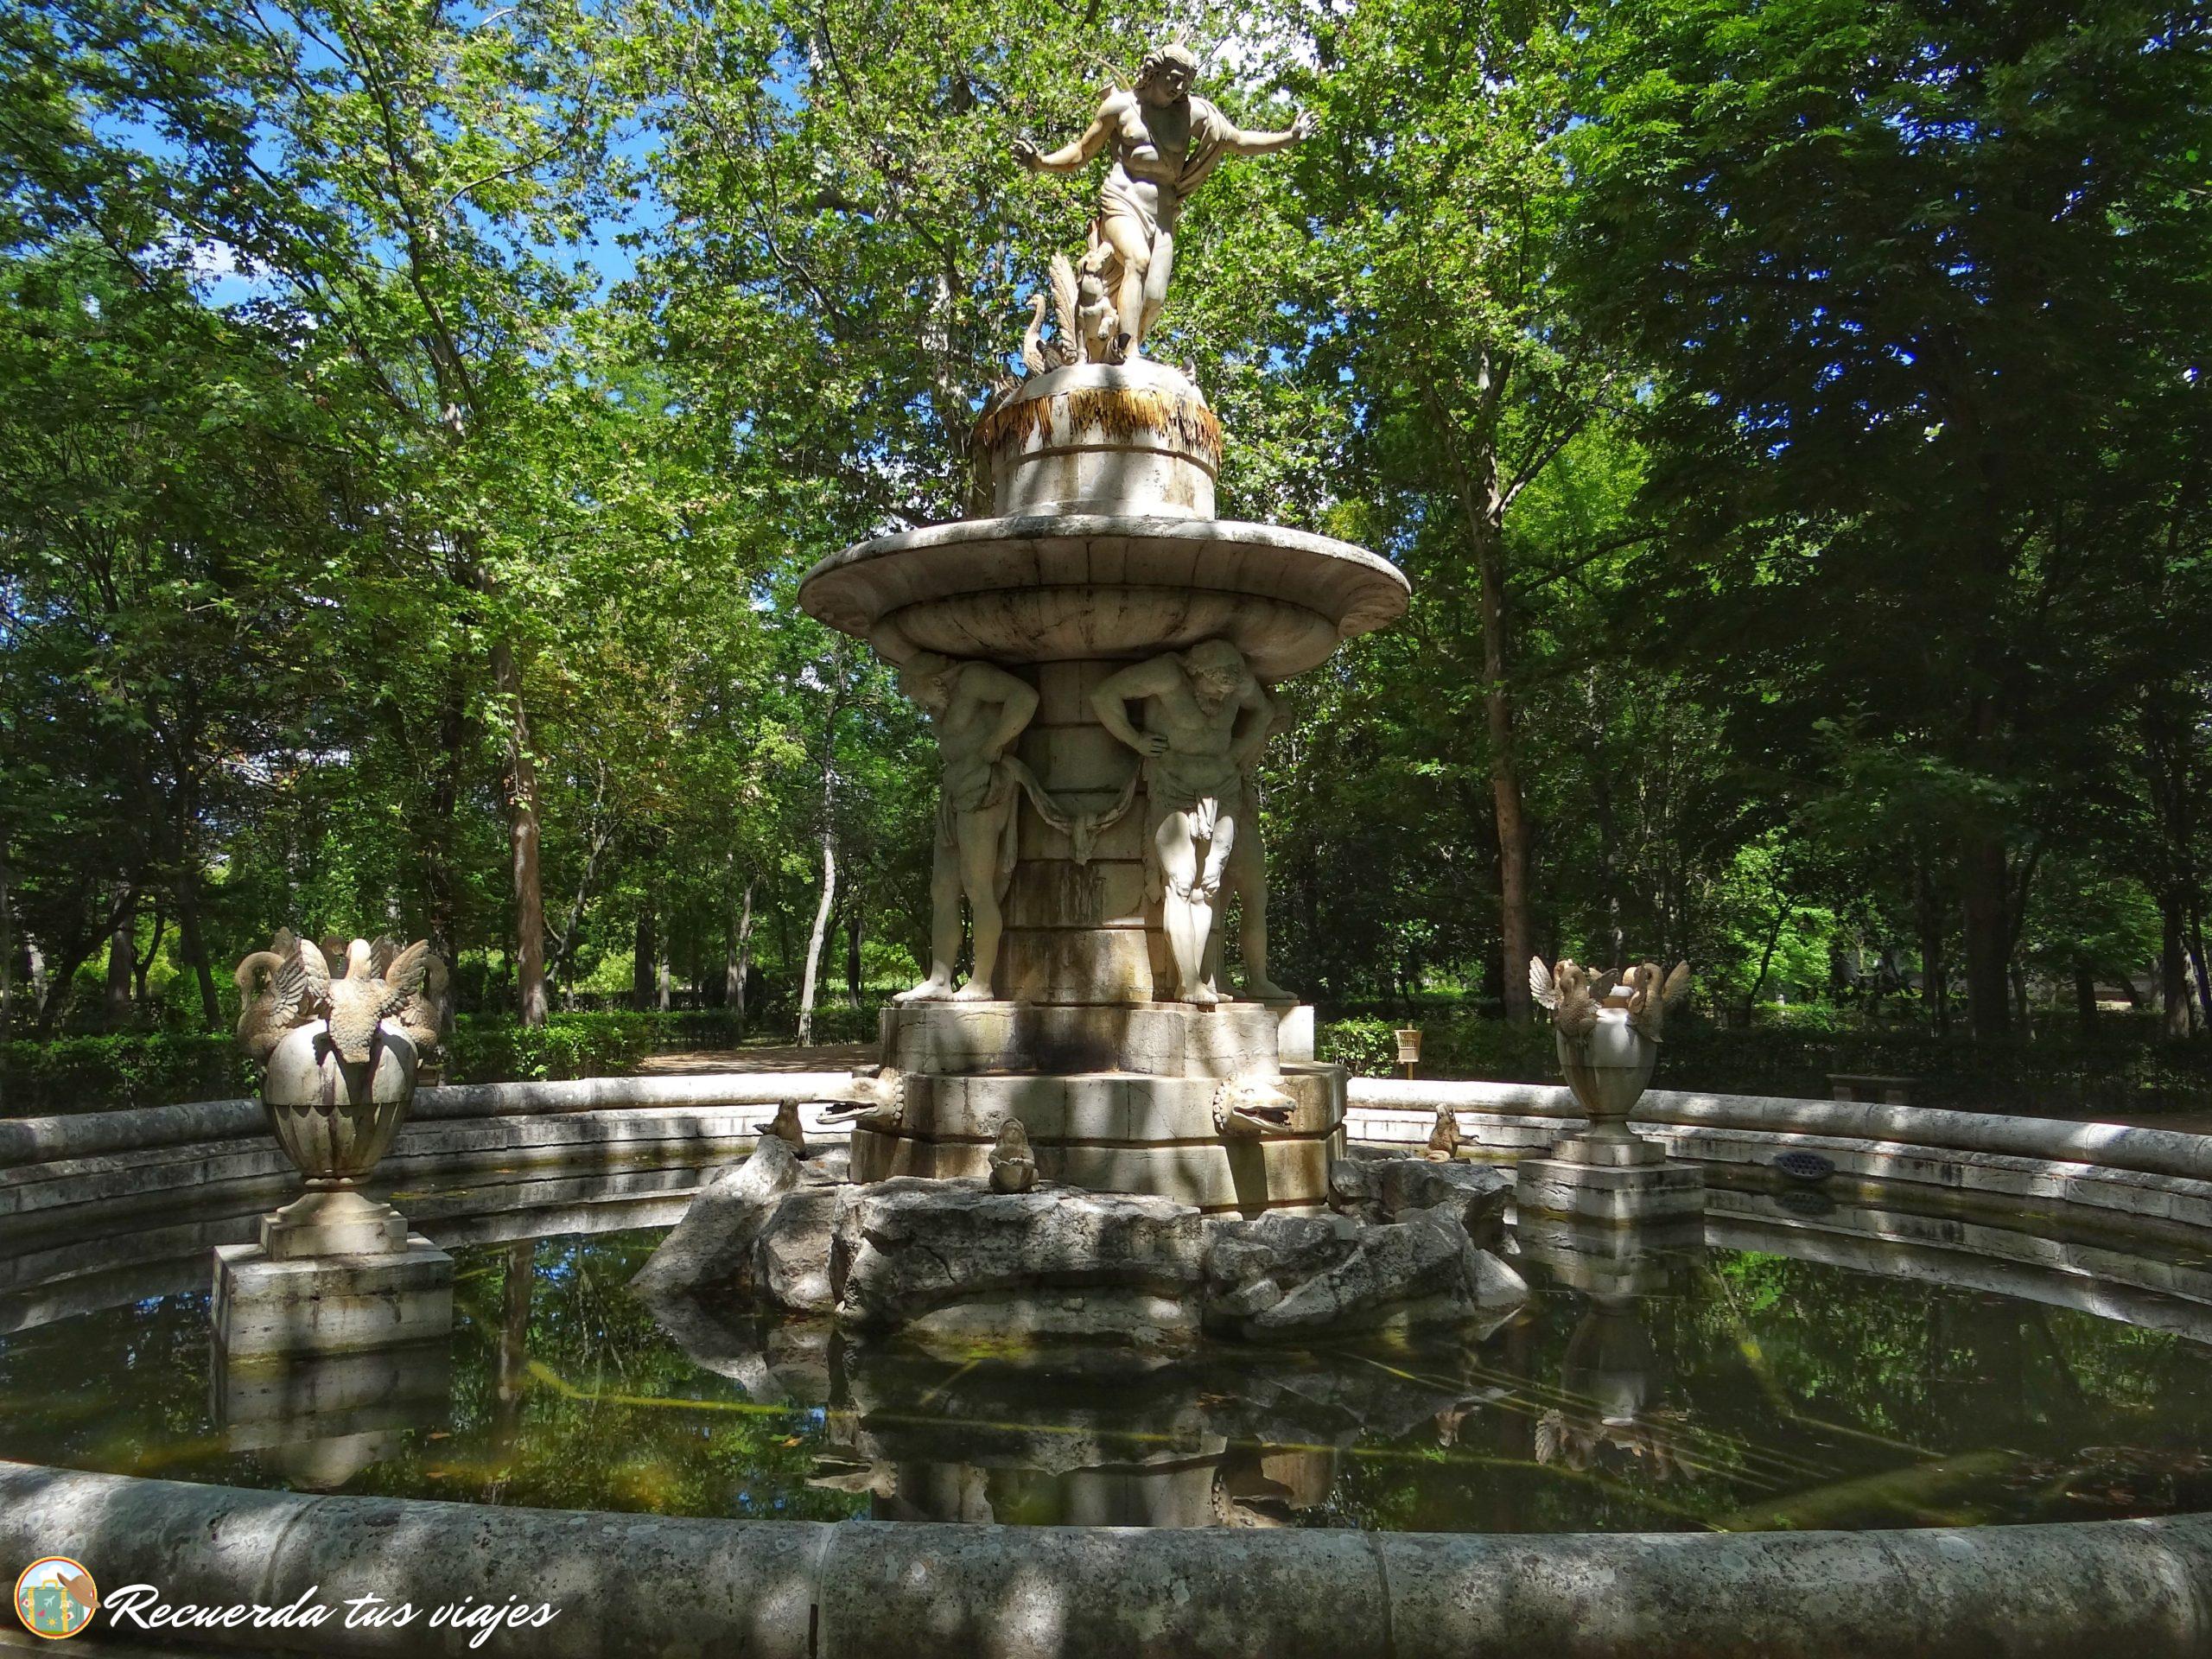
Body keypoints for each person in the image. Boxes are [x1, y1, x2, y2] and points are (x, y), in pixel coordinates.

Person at [1014, 42, 1313, 359]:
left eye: (1187, 81)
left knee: (1154, 297)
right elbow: (1081, 151)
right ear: (1154, 71)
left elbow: (1237, 140)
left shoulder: (1194, 113)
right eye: (1174, 77)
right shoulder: (1119, 107)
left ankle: (1115, 347)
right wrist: (1041, 162)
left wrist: (1288, 138)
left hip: (1162, 214)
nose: (1179, 87)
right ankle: (1129, 351)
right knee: (1137, 260)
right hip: (1122, 200)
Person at [1090, 639, 1285, 1005]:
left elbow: (1262, 710)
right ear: (1198, 673)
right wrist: (1135, 739)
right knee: (1180, 881)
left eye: (1229, 690)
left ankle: (1199, 983)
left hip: (1223, 791)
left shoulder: (1237, 681)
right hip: (1173, 788)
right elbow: (1104, 695)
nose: (1222, 696)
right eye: (1216, 687)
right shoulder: (1167, 674)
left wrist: (1236, 753)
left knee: (1208, 885)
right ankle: (1189, 982)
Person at [893, 649, 1041, 1002]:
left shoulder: (972, 679)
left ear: (934, 681)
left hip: (982, 788)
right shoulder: (943, 705)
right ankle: (939, 979)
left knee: (978, 888)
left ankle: (981, 983)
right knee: (942, 889)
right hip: (955, 791)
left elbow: (1025, 697)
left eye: (916, 694)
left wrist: (995, 743)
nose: (918, 704)